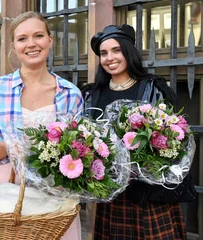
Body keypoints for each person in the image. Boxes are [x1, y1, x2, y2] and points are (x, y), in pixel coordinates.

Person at [0, 11, 83, 240]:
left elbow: (79, 153)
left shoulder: (71, 94)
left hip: (56, 197)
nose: (31, 44)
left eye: (38, 36)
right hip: (6, 192)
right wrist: (12, 144)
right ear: (13, 46)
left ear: (50, 40)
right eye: (22, 38)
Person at [81, 24, 197, 240]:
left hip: (149, 193)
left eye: (116, 50)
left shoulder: (152, 87)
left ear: (128, 51)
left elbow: (171, 135)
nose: (109, 58)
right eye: (104, 53)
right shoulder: (91, 94)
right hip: (113, 194)